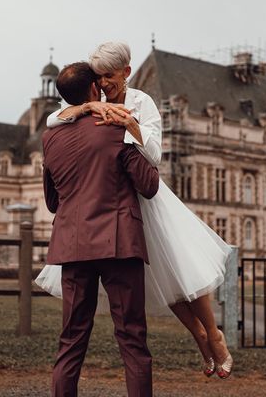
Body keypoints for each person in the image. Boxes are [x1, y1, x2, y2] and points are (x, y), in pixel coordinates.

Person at [36, 43, 233, 379]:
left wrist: (130, 126)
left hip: (143, 195)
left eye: (109, 77)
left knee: (183, 269)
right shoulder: (90, 99)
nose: (103, 85)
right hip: (112, 200)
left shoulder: (141, 102)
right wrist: (82, 110)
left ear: (126, 73)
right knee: (163, 278)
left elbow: (153, 155)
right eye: (98, 78)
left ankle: (214, 335)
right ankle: (199, 335)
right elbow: (59, 114)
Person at [42, 62, 160, 397]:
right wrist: (135, 135)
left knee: (71, 340)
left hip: (73, 246)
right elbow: (149, 185)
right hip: (118, 244)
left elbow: (52, 201)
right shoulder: (114, 125)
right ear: (95, 89)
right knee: (132, 338)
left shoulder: (50, 138)